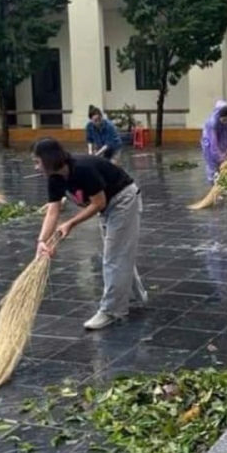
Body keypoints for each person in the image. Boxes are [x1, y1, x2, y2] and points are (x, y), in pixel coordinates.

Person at [32, 138, 148, 331]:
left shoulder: (82, 169)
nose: (36, 167)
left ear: (49, 159)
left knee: (114, 256)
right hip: (108, 207)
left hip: (123, 201)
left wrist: (71, 223)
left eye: (37, 162)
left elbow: (98, 203)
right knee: (117, 253)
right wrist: (42, 241)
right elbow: (52, 212)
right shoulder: (55, 178)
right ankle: (137, 296)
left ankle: (111, 311)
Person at [200, 100, 227, 183]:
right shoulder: (211, 124)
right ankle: (213, 184)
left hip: (224, 144)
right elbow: (212, 145)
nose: (226, 122)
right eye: (223, 120)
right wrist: (220, 157)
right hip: (210, 148)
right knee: (213, 170)